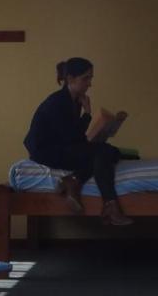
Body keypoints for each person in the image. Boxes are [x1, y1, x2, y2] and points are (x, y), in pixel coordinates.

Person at [24, 57, 132, 226]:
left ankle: (74, 181)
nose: (90, 83)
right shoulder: (57, 102)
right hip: (46, 151)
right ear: (70, 79)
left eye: (91, 78)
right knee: (105, 152)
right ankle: (109, 205)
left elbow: (74, 136)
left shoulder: (73, 101)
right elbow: (73, 138)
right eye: (86, 78)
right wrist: (88, 113)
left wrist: (94, 132)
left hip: (61, 147)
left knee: (109, 152)